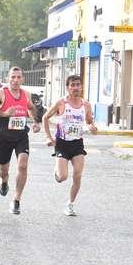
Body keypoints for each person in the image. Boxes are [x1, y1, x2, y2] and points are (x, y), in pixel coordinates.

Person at [43, 73, 99, 216]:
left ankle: (70, 204)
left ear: (81, 87)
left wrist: (93, 128)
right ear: (68, 88)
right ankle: (57, 172)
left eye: (78, 85)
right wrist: (48, 137)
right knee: (63, 177)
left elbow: (89, 122)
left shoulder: (86, 105)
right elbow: (45, 117)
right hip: (62, 143)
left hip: (77, 144)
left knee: (77, 175)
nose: (75, 87)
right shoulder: (61, 103)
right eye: (72, 85)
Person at [0, 65, 37, 214]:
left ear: (22, 79)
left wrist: (35, 121)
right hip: (5, 136)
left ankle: (16, 200)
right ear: (8, 78)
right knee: (3, 170)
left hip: (21, 136)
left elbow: (31, 108)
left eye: (18, 77)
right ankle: (4, 181)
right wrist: (4, 114)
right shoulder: (1, 93)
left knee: (23, 165)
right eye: (13, 77)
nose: (15, 80)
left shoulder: (26, 94)